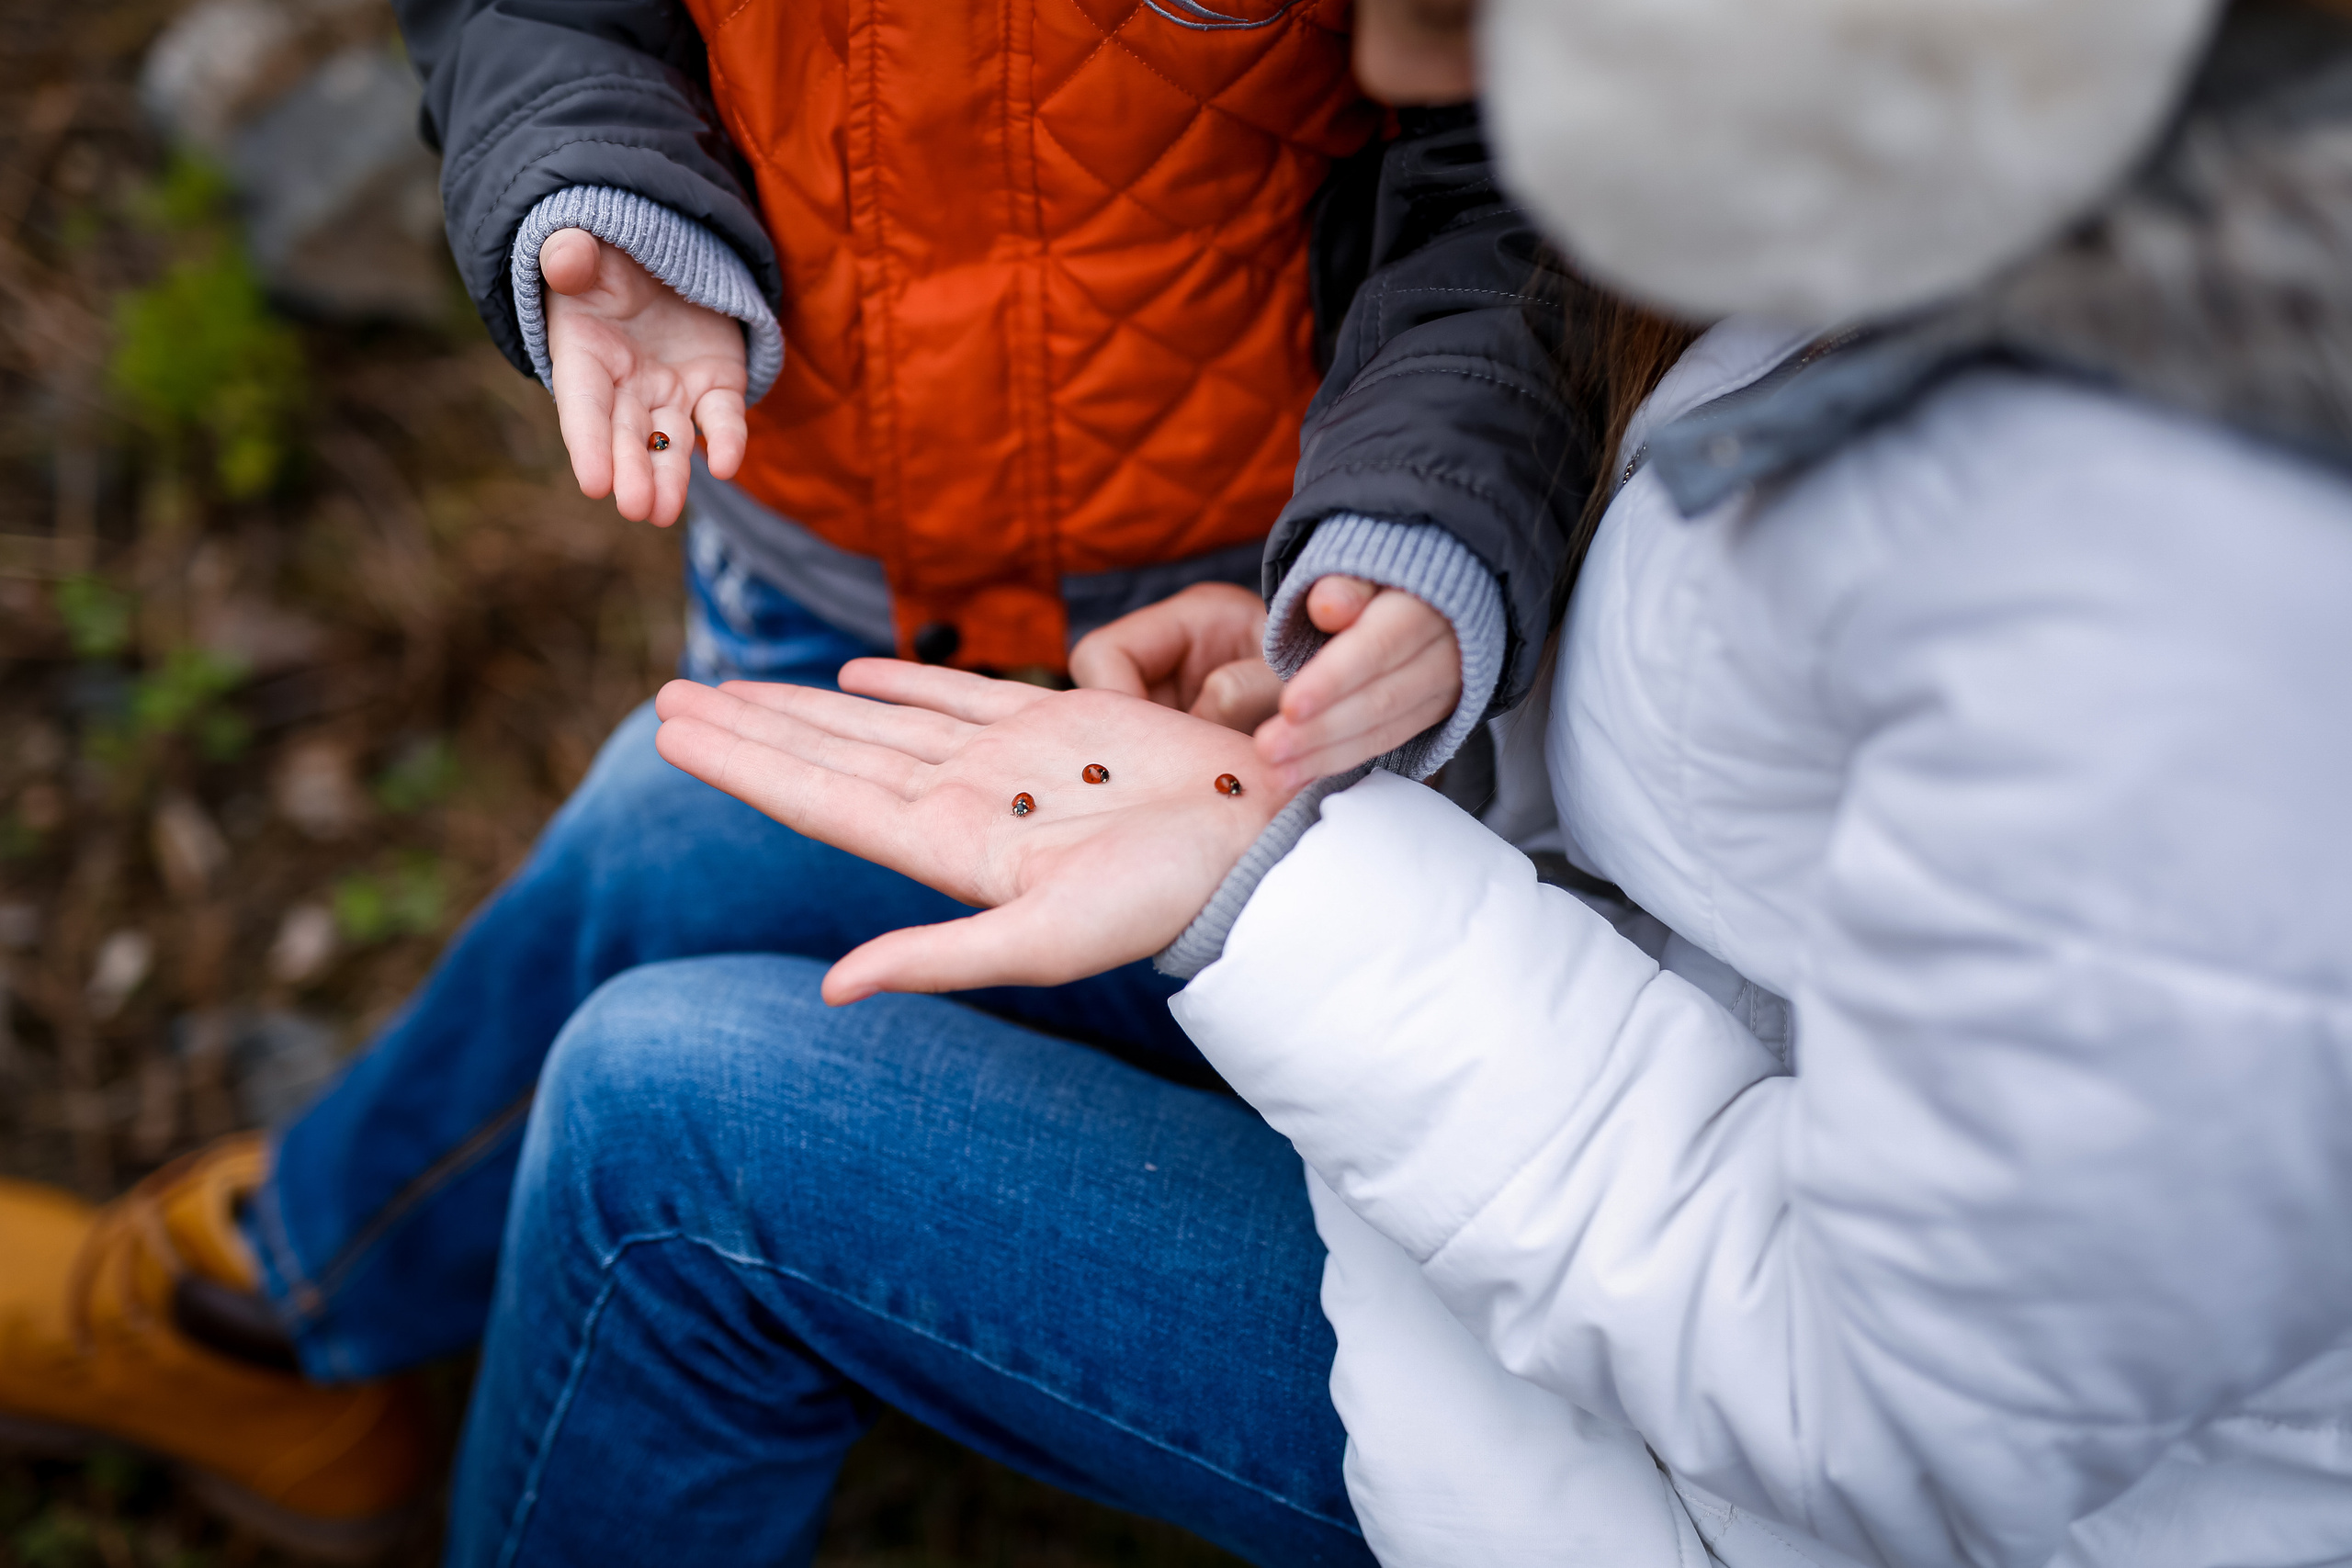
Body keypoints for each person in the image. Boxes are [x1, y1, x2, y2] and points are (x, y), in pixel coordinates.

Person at [465, 0, 2352, 1562]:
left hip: (1678, 1485)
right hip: (1551, 1027)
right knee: (688, 808)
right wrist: (1385, 695)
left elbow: (1899, 1422)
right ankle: (353, 1300)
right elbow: (1756, 774)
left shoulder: (2188, 613)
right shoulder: (1987, 201)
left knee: (665, 1127)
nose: (1381, 76)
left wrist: (1271, 883)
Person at [0, 0, 1597, 1555]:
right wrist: (596, 173)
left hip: (1263, 615)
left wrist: (1430, 505)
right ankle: (277, 1309)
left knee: (670, 1096)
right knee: (681, 830)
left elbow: (1482, 148)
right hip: (849, 533)